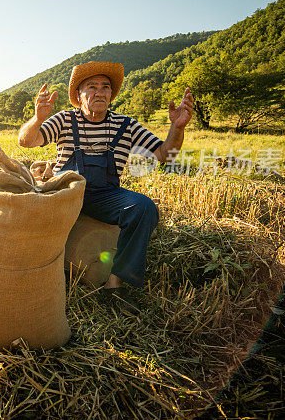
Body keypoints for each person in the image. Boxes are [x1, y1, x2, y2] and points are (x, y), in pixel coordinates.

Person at [18, 61, 194, 313]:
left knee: (144, 207)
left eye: (105, 87)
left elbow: (166, 155)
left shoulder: (126, 126)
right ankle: (33, 273)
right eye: (92, 87)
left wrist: (177, 128)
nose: (100, 92)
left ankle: (115, 285)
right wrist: (37, 118)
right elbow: (27, 141)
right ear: (79, 95)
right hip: (64, 192)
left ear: (111, 95)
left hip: (105, 195)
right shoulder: (65, 119)